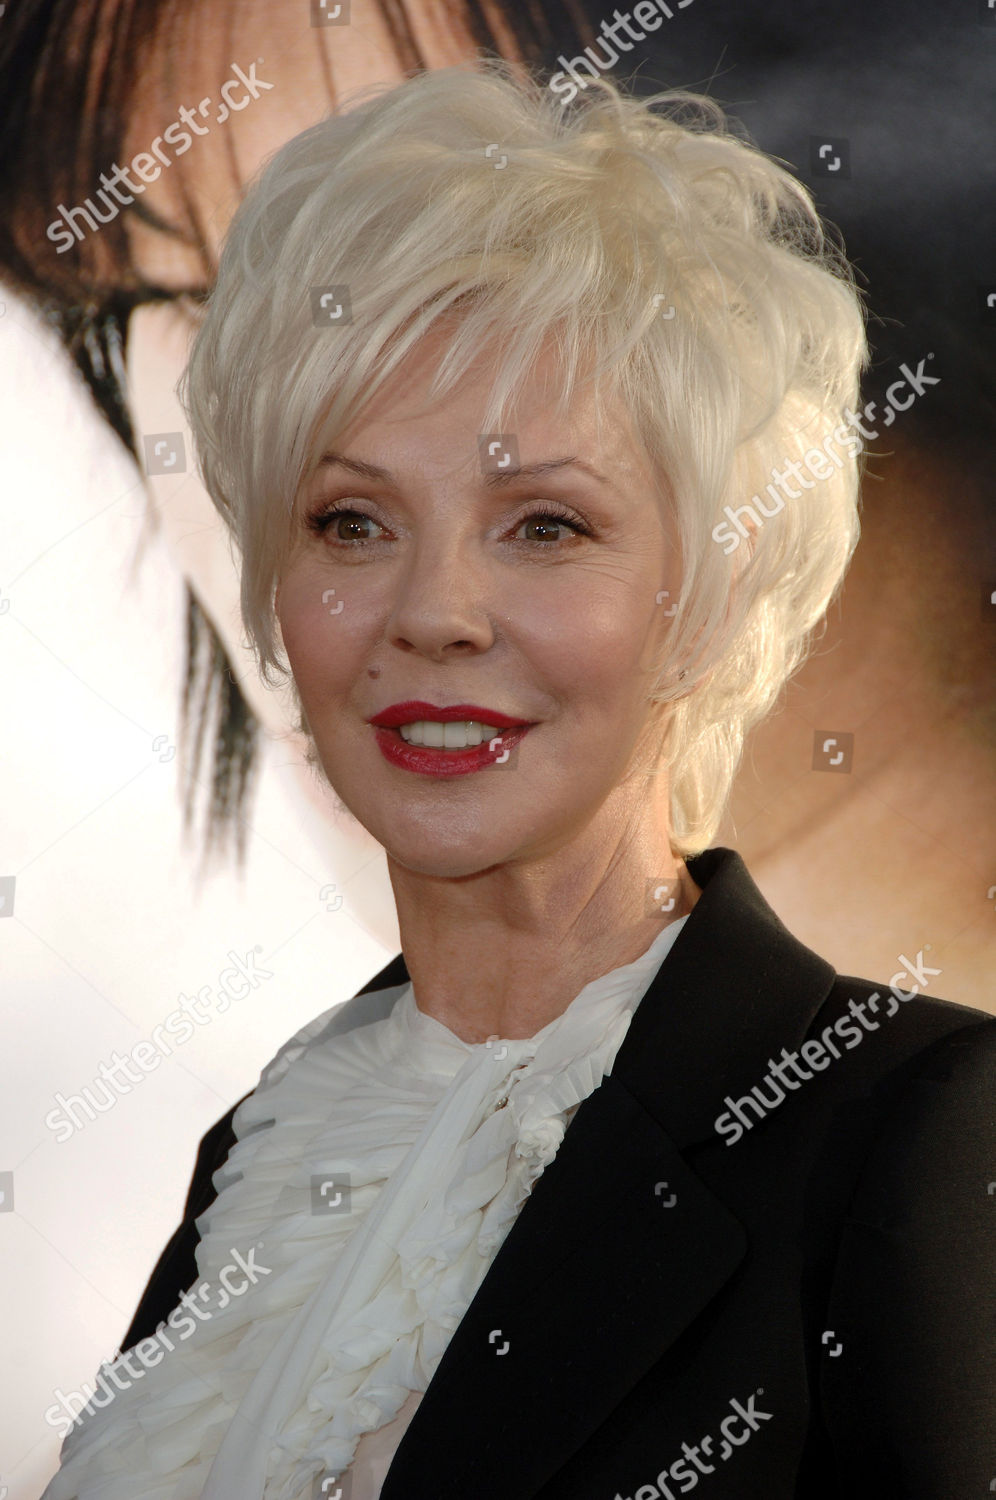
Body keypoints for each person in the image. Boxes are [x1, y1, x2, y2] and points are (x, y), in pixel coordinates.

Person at [40, 61, 996, 1500]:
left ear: (712, 593)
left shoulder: (908, 1123)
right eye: (350, 521)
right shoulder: (268, 1142)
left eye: (545, 525)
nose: (435, 613)